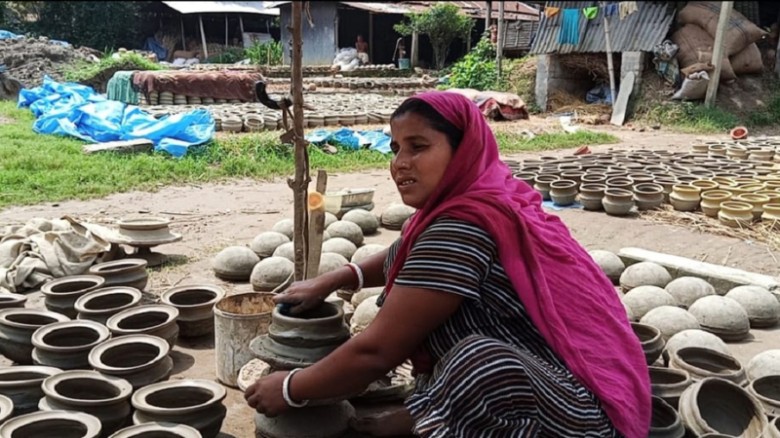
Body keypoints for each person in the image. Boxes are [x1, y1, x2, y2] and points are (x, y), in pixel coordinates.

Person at [244, 91, 652, 437]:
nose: (400, 162)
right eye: (395, 148)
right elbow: (405, 255)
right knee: (459, 350)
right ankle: (433, 408)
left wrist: (291, 388)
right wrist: (337, 278)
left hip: (579, 412)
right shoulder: (481, 198)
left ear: (463, 150)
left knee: (478, 362)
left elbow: (377, 353)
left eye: (418, 147)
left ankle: (439, 414)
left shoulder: (463, 227)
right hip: (558, 376)